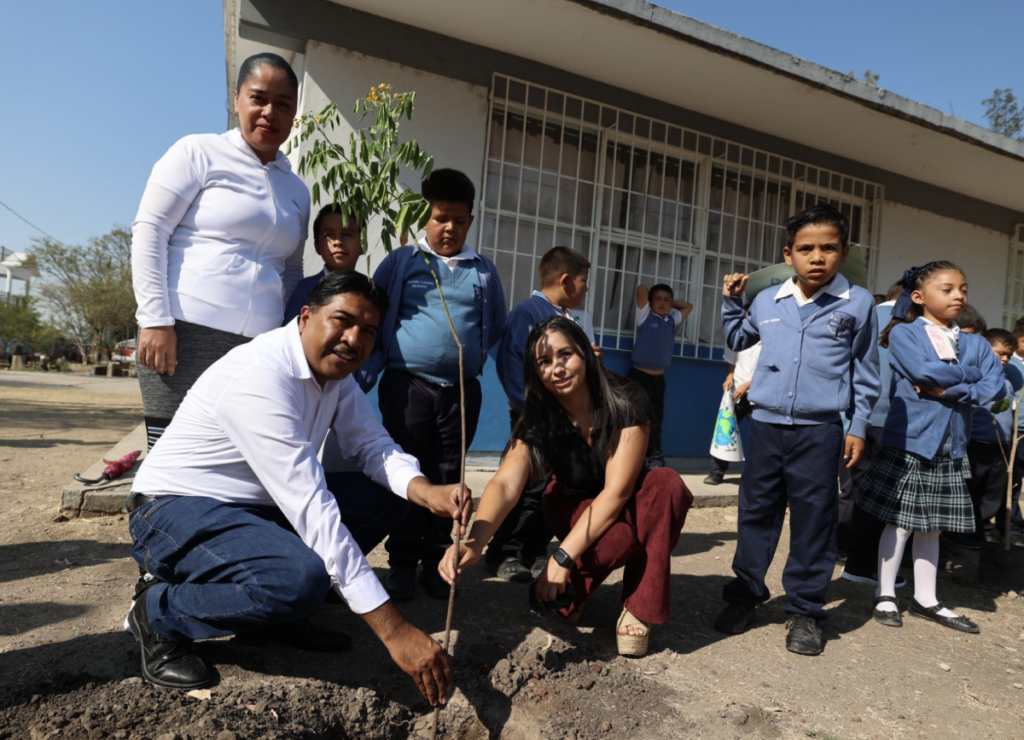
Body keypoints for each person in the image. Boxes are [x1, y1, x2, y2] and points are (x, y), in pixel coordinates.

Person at [124, 271, 469, 704]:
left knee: (388, 496)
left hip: (253, 510)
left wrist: (425, 491)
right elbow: (313, 511)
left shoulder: (334, 376)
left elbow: (372, 445)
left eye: (367, 331)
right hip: (174, 509)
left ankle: (278, 614)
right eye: (341, 321)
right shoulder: (261, 375)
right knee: (299, 578)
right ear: (305, 316)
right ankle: (157, 613)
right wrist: (395, 631)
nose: (352, 340)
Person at [439, 316, 692, 657]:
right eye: (544, 361)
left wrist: (559, 557)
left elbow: (617, 492)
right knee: (617, 540)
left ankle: (638, 605)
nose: (557, 367)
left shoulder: (627, 398)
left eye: (565, 354)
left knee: (667, 484)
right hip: (571, 501)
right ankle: (573, 588)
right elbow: (505, 483)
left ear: (587, 354)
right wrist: (474, 540)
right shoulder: (539, 414)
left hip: (627, 496)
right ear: (535, 371)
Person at [713, 204, 881, 656]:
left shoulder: (859, 304)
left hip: (819, 431)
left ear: (843, 252)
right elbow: (738, 339)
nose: (817, 257)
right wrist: (732, 301)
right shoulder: (768, 300)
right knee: (756, 515)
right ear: (789, 254)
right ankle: (745, 596)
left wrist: (858, 426)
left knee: (814, 522)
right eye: (806, 248)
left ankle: (805, 612)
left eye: (828, 248)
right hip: (766, 428)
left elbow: (866, 373)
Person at [132, 52, 310, 451]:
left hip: (255, 346)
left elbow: (291, 271)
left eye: (283, 104)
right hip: (184, 331)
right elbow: (149, 231)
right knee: (170, 458)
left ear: (294, 113)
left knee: (228, 461)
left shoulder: (297, 190)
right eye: (258, 98)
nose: (269, 112)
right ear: (236, 99)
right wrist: (155, 319)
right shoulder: (198, 152)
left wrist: (282, 340)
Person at [356, 168, 507, 601]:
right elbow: (377, 314)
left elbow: (493, 325)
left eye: (459, 221)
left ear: (470, 222)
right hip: (407, 388)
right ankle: (401, 563)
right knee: (409, 472)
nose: (450, 229)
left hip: (461, 392)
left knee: (448, 474)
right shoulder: (403, 263)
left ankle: (440, 561)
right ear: (424, 215)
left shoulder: (483, 272)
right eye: (441, 218)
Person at [856, 262, 1004, 633]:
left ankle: (926, 598)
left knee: (933, 526)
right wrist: (971, 378)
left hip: (953, 444)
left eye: (963, 289)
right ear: (919, 297)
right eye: (948, 288)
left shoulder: (974, 342)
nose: (958, 295)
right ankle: (885, 592)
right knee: (900, 521)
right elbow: (924, 374)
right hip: (911, 440)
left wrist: (956, 388)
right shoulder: (906, 334)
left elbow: (997, 386)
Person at [487, 246, 594, 582]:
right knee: (528, 488)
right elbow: (511, 366)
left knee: (554, 487)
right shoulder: (527, 313)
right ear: (565, 281)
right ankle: (504, 552)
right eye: (583, 281)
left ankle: (533, 550)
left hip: (565, 422)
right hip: (535, 420)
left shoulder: (565, 317)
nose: (587, 288)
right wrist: (534, 410)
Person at [838, 283, 904, 572]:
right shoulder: (909, 324)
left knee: (850, 485)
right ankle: (866, 553)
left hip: (854, 419)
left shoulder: (858, 314)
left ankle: (842, 545)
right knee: (881, 489)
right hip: (892, 421)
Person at [628, 284, 693, 469]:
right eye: (658, 299)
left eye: (667, 300)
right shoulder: (645, 316)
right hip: (639, 378)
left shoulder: (671, 320)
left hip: (659, 381)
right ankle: (635, 460)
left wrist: (671, 304)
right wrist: (651, 300)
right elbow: (641, 289)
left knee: (656, 422)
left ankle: (656, 459)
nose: (662, 303)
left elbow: (689, 306)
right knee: (637, 420)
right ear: (650, 302)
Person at [963, 328, 1016, 544]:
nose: (1004, 359)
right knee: (972, 488)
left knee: (992, 492)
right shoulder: (975, 378)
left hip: (1000, 446)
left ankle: (983, 529)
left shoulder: (1007, 382)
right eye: (1000, 353)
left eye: (1008, 355)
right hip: (976, 443)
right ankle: (964, 532)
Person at [284, 204, 364, 323]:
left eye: (347, 234)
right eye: (329, 235)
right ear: (318, 247)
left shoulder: (369, 291)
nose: (338, 242)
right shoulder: (306, 289)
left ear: (363, 245)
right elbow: (291, 335)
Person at [704, 338, 760, 485]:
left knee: (761, 437)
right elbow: (732, 361)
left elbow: (769, 371)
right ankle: (716, 472)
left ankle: (758, 476)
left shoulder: (770, 337)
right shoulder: (740, 335)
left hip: (758, 396)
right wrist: (729, 377)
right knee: (723, 429)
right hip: (735, 394)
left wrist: (747, 386)